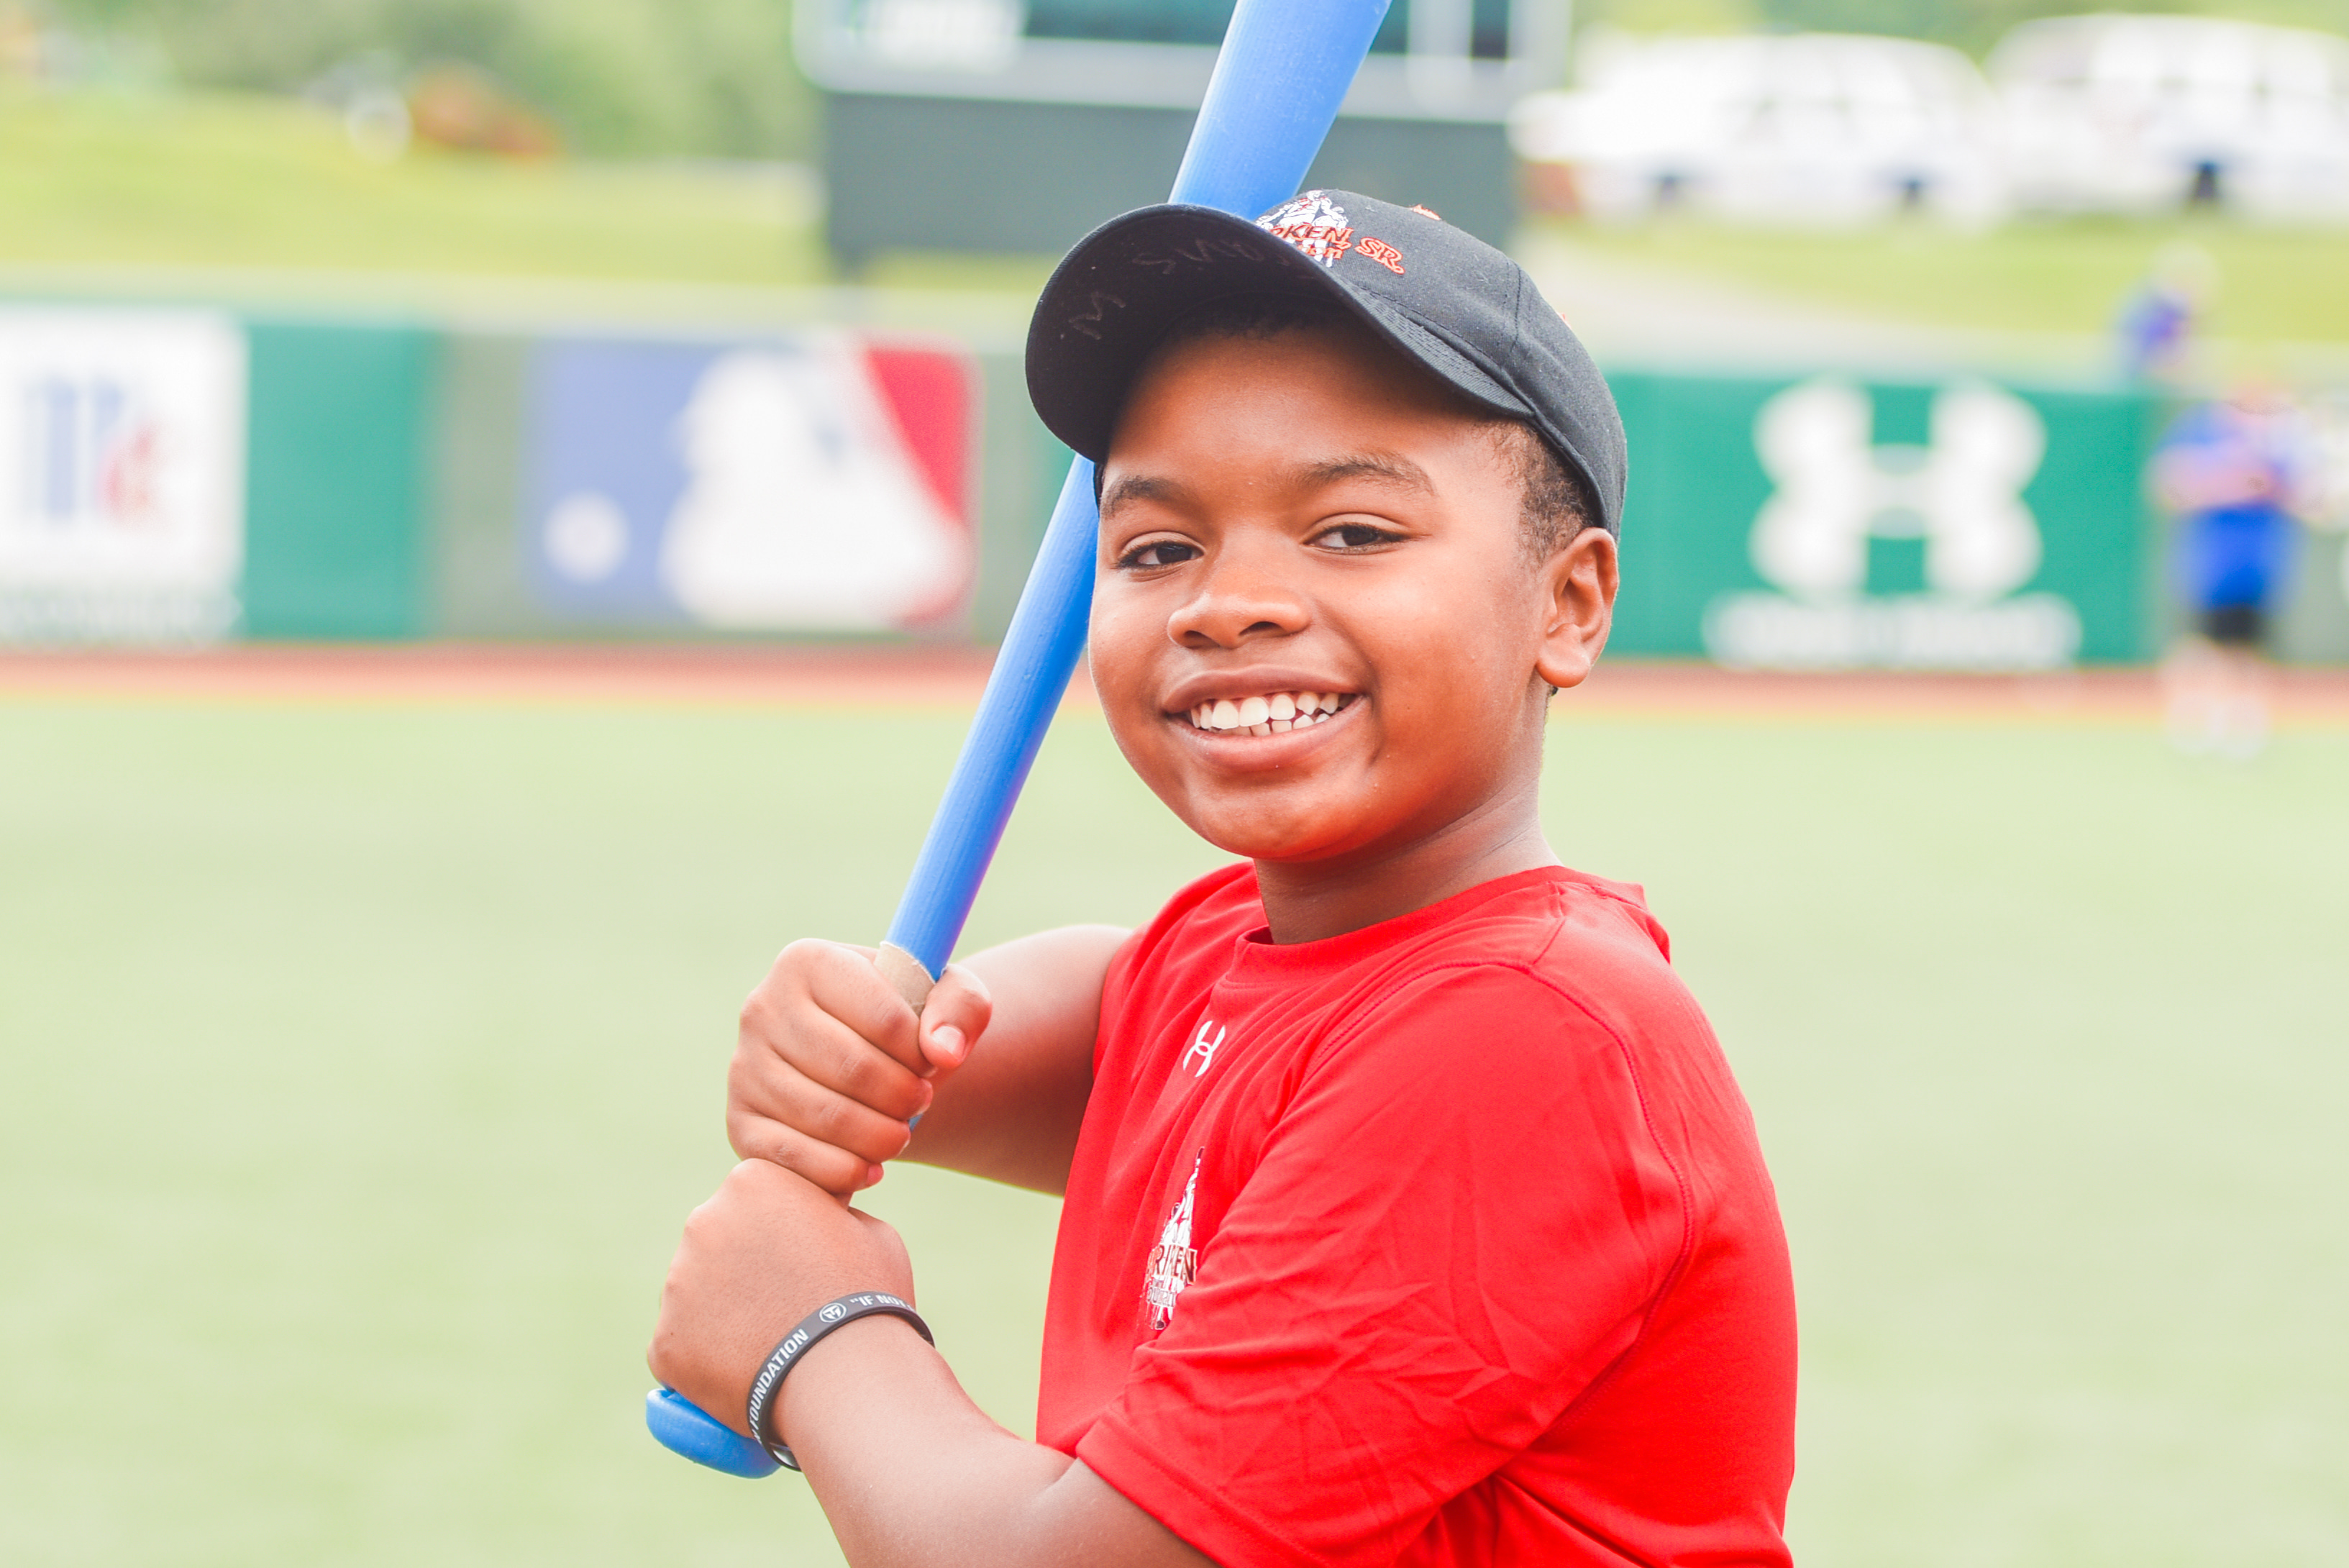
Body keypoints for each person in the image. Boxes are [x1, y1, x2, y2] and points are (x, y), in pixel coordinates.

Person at [647, 191, 1798, 1567]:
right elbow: (1130, 1018)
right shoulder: (1244, 943)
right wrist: (882, 1042)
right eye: (1158, 547)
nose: (1224, 600)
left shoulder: (1527, 1032)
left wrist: (818, 1343)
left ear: (1569, 603)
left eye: (1354, 532)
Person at [2153, 380, 2317, 759]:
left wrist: (2270, 487)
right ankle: (2194, 720)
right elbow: (2169, 486)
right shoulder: (2201, 435)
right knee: (2203, 647)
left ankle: (2243, 727)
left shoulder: (2279, 445)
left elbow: (2306, 498)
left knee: (2250, 651)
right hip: (2211, 567)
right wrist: (2228, 485)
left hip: (2259, 568)